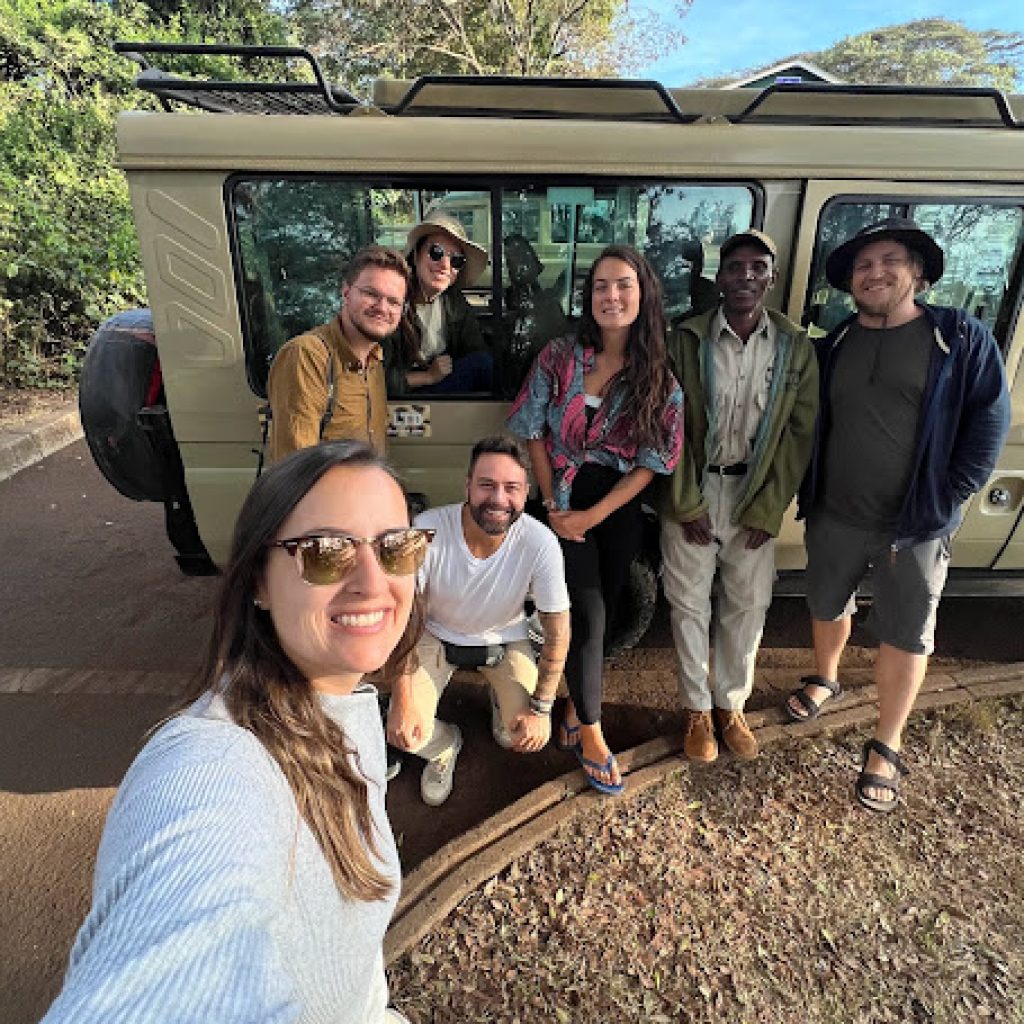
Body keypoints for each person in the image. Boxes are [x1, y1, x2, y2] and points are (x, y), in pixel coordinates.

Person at [42, 442, 429, 1022]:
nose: (373, 582)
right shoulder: (211, 762)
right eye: (326, 552)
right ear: (257, 582)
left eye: (396, 547)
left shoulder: (341, 708)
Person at [786, 217, 1010, 813]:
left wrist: (949, 497)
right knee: (825, 605)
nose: (875, 273)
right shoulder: (835, 344)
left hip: (914, 527)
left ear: (918, 273)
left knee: (905, 633)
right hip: (835, 514)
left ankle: (886, 744)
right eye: (864, 265)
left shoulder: (957, 338)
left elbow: (989, 420)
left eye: (890, 261)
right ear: (850, 282)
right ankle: (826, 678)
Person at [508, 245, 684, 796]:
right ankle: (592, 731)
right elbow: (533, 431)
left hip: (616, 508)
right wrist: (553, 505)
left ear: (643, 294)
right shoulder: (560, 357)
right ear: (588, 297)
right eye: (601, 286)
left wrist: (594, 513)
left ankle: (571, 702)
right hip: (561, 502)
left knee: (602, 618)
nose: (612, 295)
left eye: (623, 284)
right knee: (584, 608)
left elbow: (653, 462)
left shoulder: (657, 375)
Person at [659, 229, 818, 764]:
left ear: (772, 277)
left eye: (758, 267)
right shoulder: (686, 340)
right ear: (720, 278)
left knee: (748, 606)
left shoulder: (795, 346)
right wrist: (686, 502)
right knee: (687, 604)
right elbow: (667, 426)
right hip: (695, 488)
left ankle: (730, 706)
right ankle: (696, 710)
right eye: (735, 267)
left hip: (755, 492)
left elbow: (798, 435)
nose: (746, 276)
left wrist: (769, 510)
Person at [386, 435, 571, 806]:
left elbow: (558, 631)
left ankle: (502, 699)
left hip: (504, 638)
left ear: (526, 492)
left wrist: (541, 709)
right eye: (486, 485)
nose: (498, 499)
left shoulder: (540, 543)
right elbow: (402, 619)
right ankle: (444, 746)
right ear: (467, 485)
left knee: (519, 735)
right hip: (433, 634)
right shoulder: (426, 530)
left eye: (511, 488)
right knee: (407, 734)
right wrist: (402, 699)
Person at [266, 245, 409, 461]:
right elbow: (295, 468)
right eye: (371, 294)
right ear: (346, 292)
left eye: (393, 301)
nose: (382, 308)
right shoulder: (307, 355)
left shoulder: (374, 360)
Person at [387, 211, 493, 395]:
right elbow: (374, 378)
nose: (445, 265)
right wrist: (428, 376)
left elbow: (476, 351)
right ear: (416, 255)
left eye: (456, 260)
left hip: (442, 391)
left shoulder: (454, 302)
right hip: (403, 397)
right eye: (436, 253)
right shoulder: (391, 303)